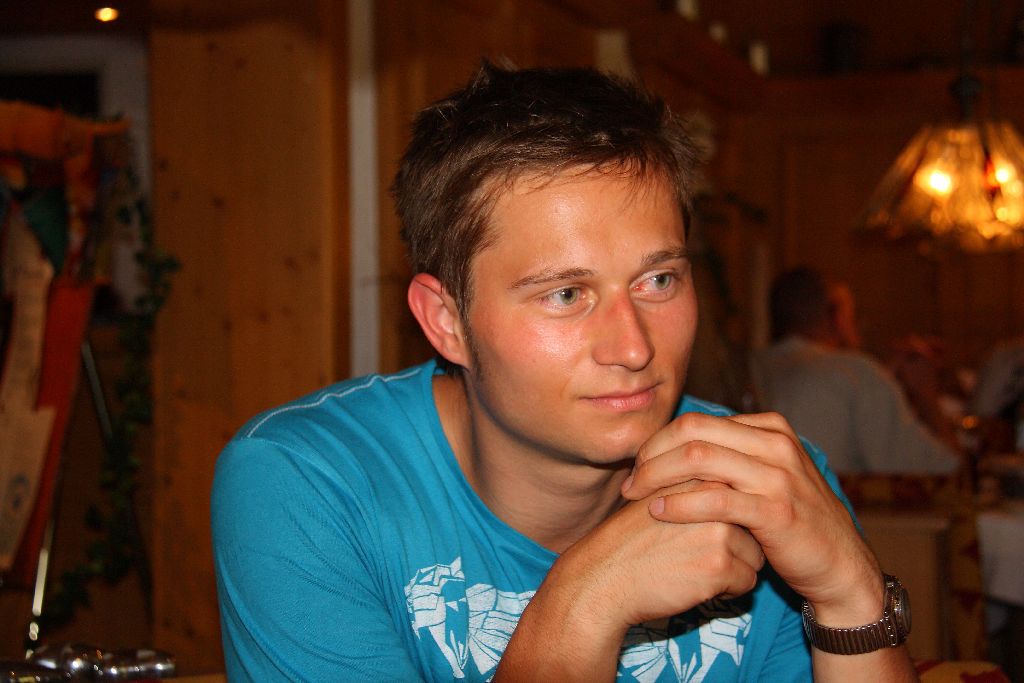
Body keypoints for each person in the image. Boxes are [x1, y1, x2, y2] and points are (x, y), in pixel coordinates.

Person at [211, 63, 917, 682]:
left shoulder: (768, 483)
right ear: (446, 320)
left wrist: (852, 595)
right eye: (566, 294)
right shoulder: (307, 483)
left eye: (659, 280)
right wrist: (582, 604)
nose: (633, 347)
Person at [752, 266, 960, 476]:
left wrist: (885, 379)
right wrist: (926, 397)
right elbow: (945, 470)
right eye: (853, 314)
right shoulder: (856, 373)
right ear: (836, 316)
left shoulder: (750, 367)